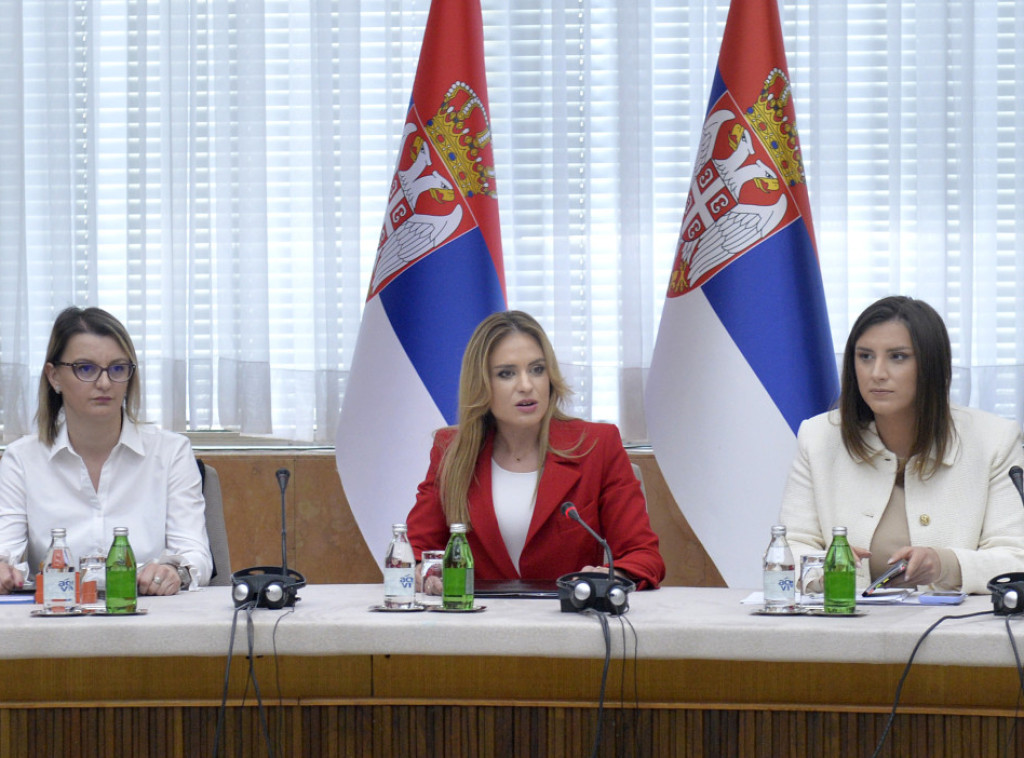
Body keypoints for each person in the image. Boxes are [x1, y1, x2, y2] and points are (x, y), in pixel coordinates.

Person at [779, 295, 1024, 594]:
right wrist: (823, 570)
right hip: (848, 620)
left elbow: (1016, 557)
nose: (877, 373)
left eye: (897, 357)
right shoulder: (818, 437)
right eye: (865, 356)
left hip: (953, 623)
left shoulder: (994, 439)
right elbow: (790, 546)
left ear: (931, 366)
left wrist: (944, 564)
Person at [407, 310, 665, 591]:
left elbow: (642, 555)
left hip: (569, 614)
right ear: (481, 384)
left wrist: (609, 575)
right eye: (506, 374)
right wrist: (422, 571)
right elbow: (417, 550)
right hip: (479, 615)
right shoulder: (451, 450)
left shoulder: (597, 446)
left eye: (537, 369)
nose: (526, 385)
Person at [0, 306, 213, 595]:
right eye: (85, 369)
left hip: (149, 611)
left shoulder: (170, 452)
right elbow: (5, 551)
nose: (104, 383)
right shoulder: (21, 460)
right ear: (54, 376)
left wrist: (174, 572)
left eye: (117, 369)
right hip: (59, 612)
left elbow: (195, 555)